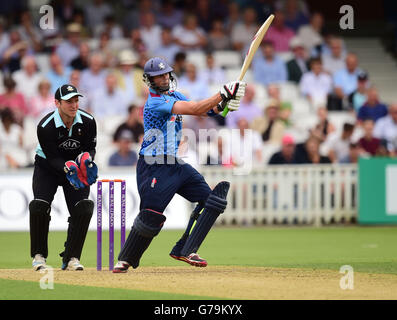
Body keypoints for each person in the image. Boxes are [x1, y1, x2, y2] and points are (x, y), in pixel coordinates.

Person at [112, 57, 246, 273]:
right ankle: (126, 259)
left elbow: (205, 111)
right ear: (150, 80)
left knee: (213, 201)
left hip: (174, 163)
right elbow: (194, 108)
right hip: (153, 164)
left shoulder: (175, 95)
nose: (164, 78)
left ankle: (186, 248)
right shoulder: (155, 102)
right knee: (151, 217)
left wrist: (224, 106)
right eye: (158, 76)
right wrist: (222, 93)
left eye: (166, 74)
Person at [29, 84, 98, 272]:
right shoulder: (45, 126)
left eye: (76, 100)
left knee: (83, 207)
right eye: (69, 101)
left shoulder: (89, 121)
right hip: (48, 168)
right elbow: (52, 158)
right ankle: (39, 256)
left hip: (75, 168)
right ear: (57, 103)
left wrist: (87, 159)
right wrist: (68, 167)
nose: (74, 105)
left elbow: (90, 148)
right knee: (39, 206)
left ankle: (72, 258)